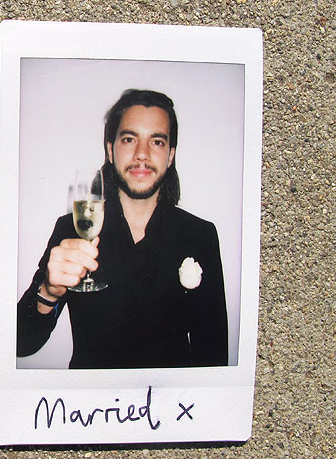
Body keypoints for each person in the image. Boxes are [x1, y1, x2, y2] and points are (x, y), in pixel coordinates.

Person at [17, 89, 228, 369]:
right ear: (110, 150)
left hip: (169, 406)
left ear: (170, 155)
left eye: (157, 141)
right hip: (90, 408)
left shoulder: (200, 235)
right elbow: (22, 343)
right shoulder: (71, 230)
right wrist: (48, 291)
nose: (142, 154)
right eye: (129, 139)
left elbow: (213, 354)